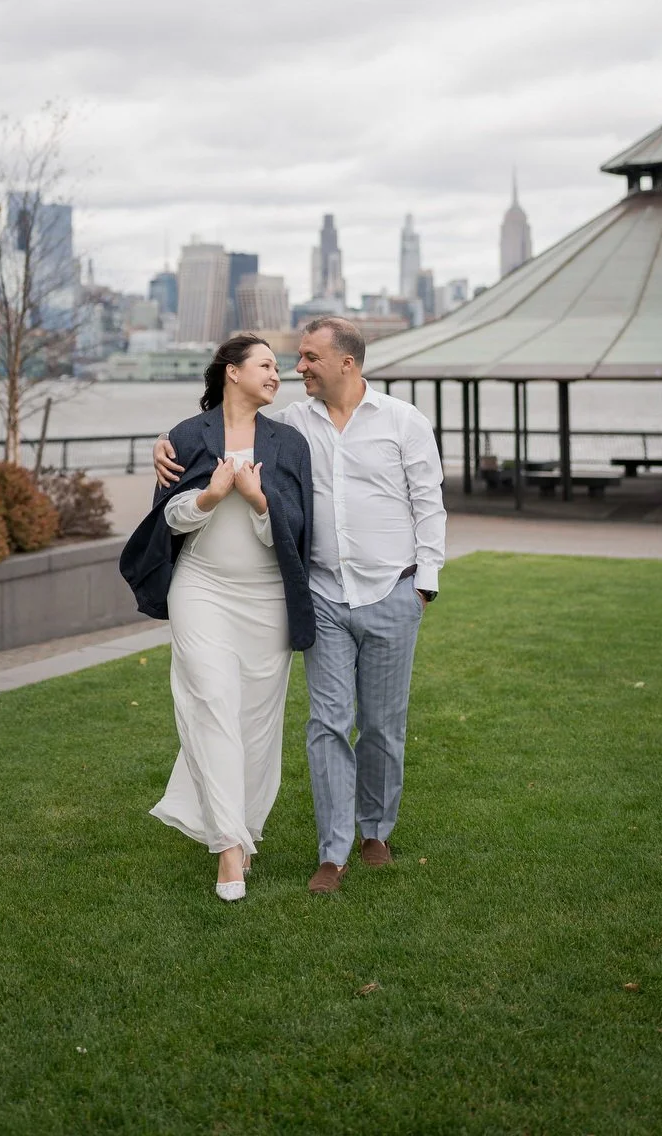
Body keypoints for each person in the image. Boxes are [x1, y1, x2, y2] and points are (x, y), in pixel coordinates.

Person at [154, 316, 445, 895]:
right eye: (292, 359)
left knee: (383, 726)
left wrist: (423, 585)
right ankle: (332, 853)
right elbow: (228, 429)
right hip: (323, 595)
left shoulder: (403, 422)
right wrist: (161, 446)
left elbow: (428, 503)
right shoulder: (290, 425)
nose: (297, 367)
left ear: (347, 363)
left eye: (309, 357)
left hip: (392, 589)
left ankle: (375, 832)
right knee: (328, 723)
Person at [121, 334, 315, 901]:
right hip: (201, 589)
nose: (278, 375)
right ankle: (229, 847)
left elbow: (297, 528)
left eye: (280, 367)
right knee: (210, 705)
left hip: (266, 597)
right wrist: (209, 496)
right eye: (266, 365)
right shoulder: (184, 437)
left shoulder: (289, 443)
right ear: (232, 372)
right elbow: (167, 518)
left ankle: (244, 829)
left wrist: (258, 502)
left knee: (255, 722)